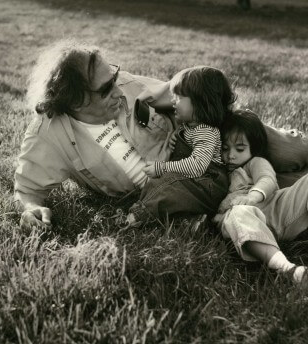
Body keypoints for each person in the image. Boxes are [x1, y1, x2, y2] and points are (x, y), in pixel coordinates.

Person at [15, 38, 308, 231]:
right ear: (76, 100)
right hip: (187, 178)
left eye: (115, 78)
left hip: (207, 135)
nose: (119, 91)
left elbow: (182, 95)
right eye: (106, 89)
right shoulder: (48, 135)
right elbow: (28, 189)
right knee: (283, 191)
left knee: (290, 151)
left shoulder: (129, 86)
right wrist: (31, 208)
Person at [126, 66, 234, 226]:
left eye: (179, 97)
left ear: (200, 102)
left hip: (208, 183)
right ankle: (190, 222)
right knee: (167, 188)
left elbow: (197, 166)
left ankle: (140, 215)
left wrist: (162, 167)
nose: (173, 101)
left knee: (168, 185)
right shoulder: (190, 127)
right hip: (197, 183)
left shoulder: (206, 132)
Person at [213, 109, 308, 284]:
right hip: (250, 222)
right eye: (225, 148)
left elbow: (267, 179)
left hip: (277, 208)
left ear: (254, 148)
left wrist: (253, 196)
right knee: (235, 215)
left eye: (239, 149)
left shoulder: (255, 162)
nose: (231, 155)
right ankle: (288, 269)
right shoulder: (222, 170)